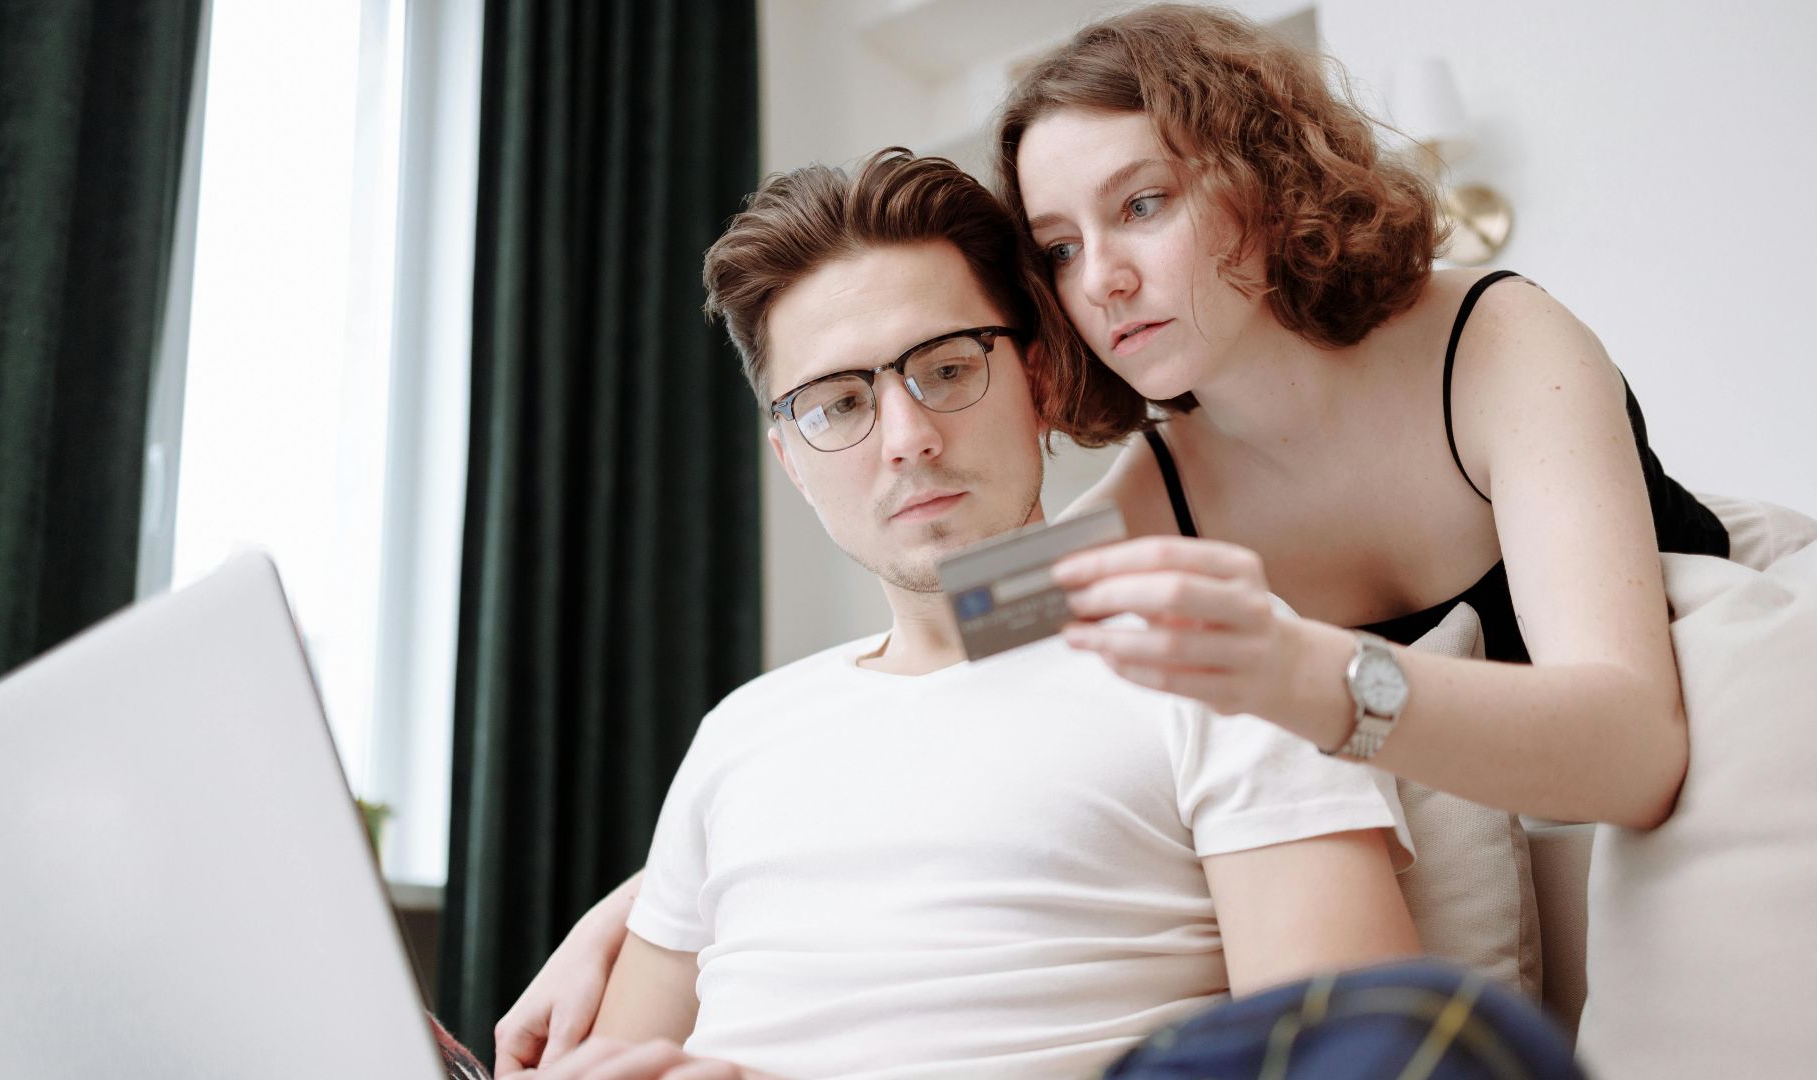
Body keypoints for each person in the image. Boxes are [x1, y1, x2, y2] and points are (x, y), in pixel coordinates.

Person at [502, 148, 1419, 1080]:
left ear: (1041, 382)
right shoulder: (742, 733)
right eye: (838, 403)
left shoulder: (1218, 653)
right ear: (790, 458)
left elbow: (1352, 1059)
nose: (907, 439)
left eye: (945, 369)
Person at [994, 2, 1726, 828]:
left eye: (1141, 205)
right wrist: (980, 399)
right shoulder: (1156, 497)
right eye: (1060, 249)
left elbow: (1635, 759)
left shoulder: (1498, 345)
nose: (1100, 282)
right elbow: (957, 626)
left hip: (1748, 783)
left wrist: (1303, 675)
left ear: (1263, 174)